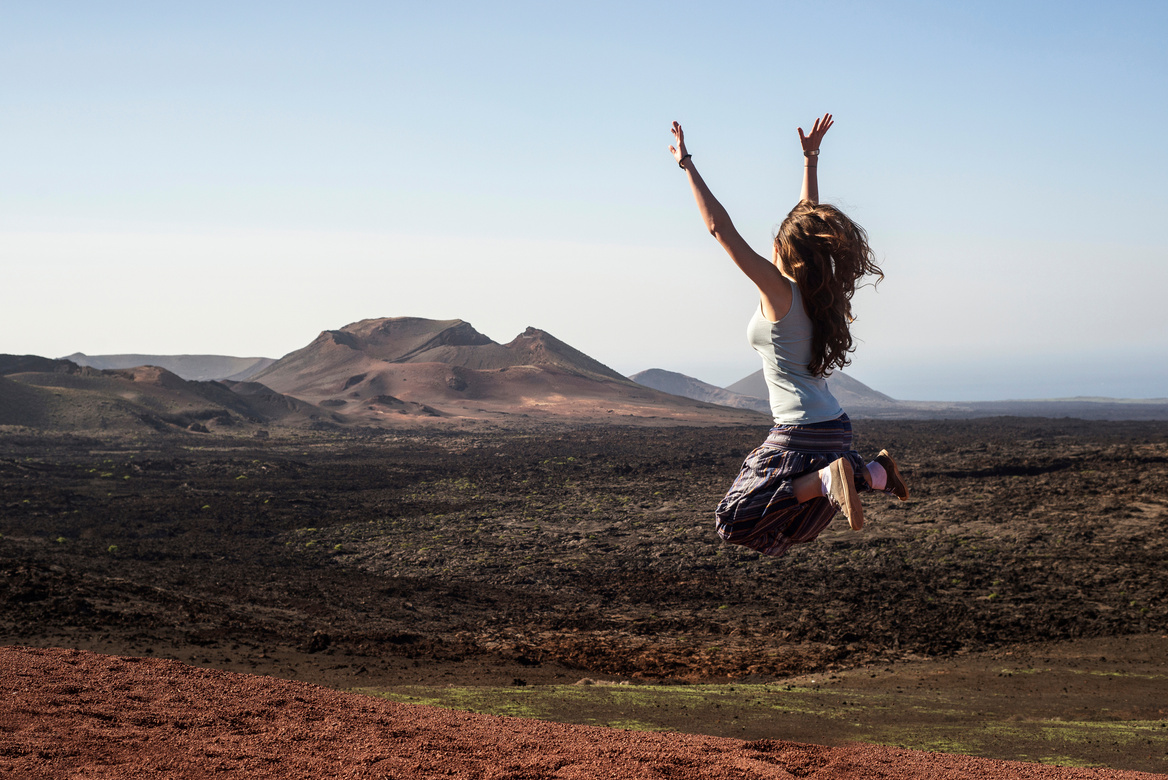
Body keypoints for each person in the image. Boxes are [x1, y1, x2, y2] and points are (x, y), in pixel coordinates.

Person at [668, 113, 909, 558]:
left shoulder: (779, 294)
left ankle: (834, 477)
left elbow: (721, 229)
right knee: (794, 523)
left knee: (735, 517)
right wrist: (810, 160)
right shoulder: (820, 296)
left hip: (803, 431)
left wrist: (687, 165)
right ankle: (872, 472)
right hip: (835, 430)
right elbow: (809, 222)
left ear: (783, 249)